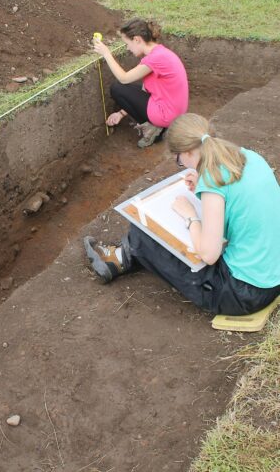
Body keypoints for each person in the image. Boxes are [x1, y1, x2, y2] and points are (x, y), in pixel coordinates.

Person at [84, 113, 280, 316]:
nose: (182, 164)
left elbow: (209, 255)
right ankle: (126, 256)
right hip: (273, 275)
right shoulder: (249, 157)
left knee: (142, 231)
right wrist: (202, 188)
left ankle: (119, 259)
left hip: (243, 293)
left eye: (178, 160)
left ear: (186, 152)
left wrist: (191, 216)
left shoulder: (213, 182)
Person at [93, 18, 189, 148]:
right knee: (129, 89)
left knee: (118, 88)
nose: (127, 48)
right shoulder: (160, 53)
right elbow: (144, 91)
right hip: (173, 111)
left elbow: (124, 78)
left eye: (128, 43)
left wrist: (106, 53)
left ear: (137, 40)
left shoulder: (155, 59)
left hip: (167, 115)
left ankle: (154, 129)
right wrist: (121, 113)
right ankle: (157, 126)